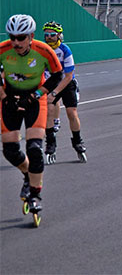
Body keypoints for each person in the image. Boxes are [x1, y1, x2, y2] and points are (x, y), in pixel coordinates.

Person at [1, 14, 63, 227]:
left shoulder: (44, 51)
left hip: (35, 99)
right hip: (10, 98)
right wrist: (4, 97)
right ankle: (28, 175)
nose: (16, 42)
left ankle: (35, 194)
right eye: (12, 37)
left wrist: (36, 95)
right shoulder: (3, 50)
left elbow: (57, 76)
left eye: (21, 37)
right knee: (10, 150)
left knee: (35, 148)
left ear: (31, 36)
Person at [41, 21, 87, 164]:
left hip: (66, 83)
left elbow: (68, 76)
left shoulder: (65, 50)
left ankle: (77, 141)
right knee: (48, 110)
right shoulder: (41, 50)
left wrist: (54, 93)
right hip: (50, 83)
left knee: (71, 112)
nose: (49, 37)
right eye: (46, 35)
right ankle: (50, 143)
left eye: (52, 35)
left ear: (59, 35)